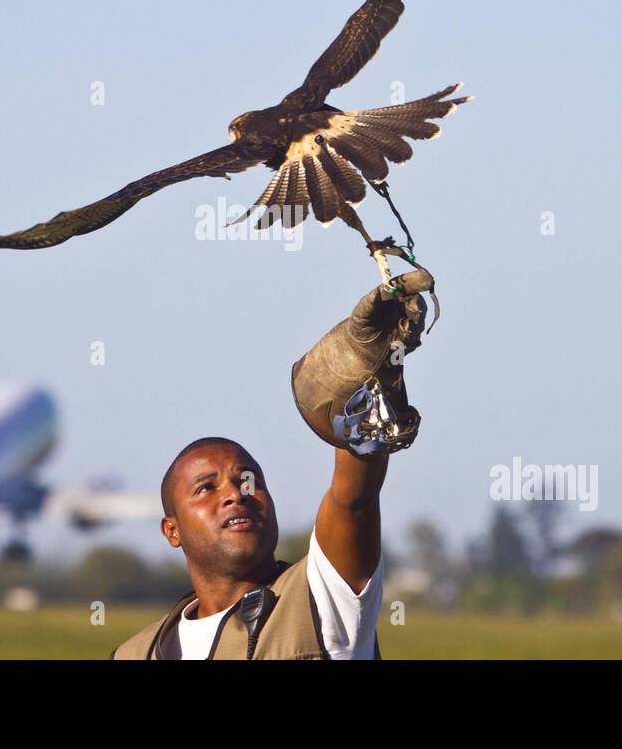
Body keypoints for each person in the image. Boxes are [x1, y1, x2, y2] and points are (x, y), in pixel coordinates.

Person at [110, 268, 434, 659]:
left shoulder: (321, 598)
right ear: (171, 530)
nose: (235, 493)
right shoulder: (137, 653)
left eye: (248, 480)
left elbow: (354, 501)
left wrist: (367, 377)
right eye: (205, 488)